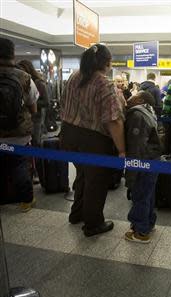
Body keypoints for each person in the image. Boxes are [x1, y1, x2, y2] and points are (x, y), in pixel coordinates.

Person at [60, 44, 125, 237]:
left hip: (69, 135)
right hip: (93, 140)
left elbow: (63, 103)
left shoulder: (74, 76)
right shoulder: (104, 83)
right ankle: (93, 224)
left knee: (82, 175)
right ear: (106, 63)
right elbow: (113, 120)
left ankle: (77, 213)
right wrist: (122, 150)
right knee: (96, 181)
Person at [0, 38, 38, 211]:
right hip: (18, 133)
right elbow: (33, 107)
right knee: (19, 165)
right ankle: (26, 201)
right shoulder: (24, 77)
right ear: (12, 54)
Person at [124, 90, 162, 243]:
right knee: (148, 194)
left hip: (143, 160)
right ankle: (148, 222)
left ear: (139, 99)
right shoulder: (148, 111)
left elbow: (136, 145)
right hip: (153, 159)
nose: (129, 98)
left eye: (132, 96)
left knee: (139, 194)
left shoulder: (137, 115)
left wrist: (131, 174)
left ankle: (141, 231)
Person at [16, 60, 49, 148]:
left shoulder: (38, 83)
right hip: (26, 118)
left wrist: (31, 102)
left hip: (36, 118)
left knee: (36, 141)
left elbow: (46, 102)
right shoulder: (22, 82)